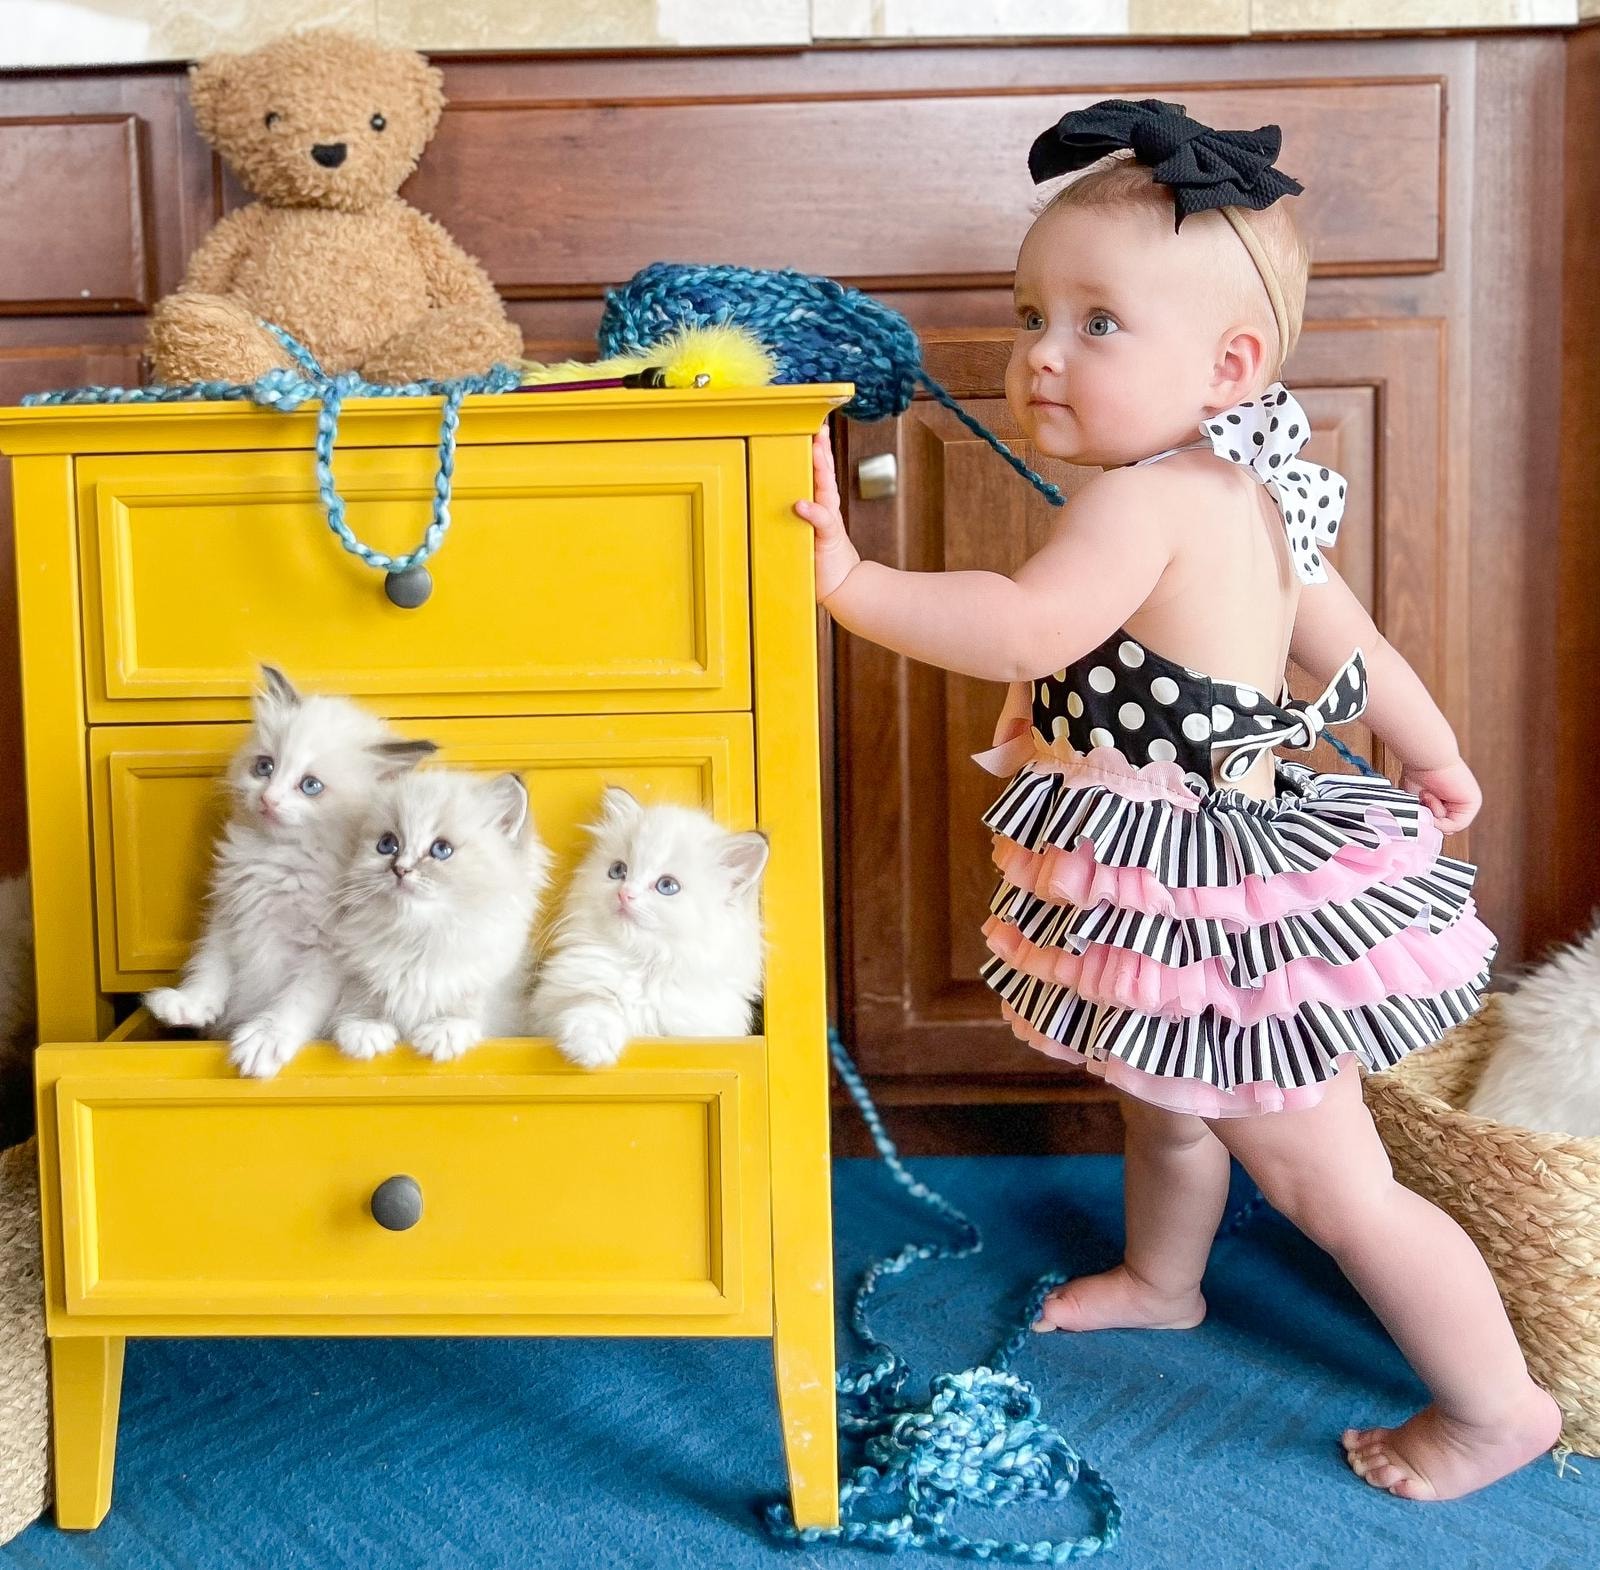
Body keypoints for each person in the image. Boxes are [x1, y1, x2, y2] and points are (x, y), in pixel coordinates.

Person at [794, 99, 1560, 1501]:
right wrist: (1432, 748)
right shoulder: (1254, 488)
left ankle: (1496, 1405)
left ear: (1230, 364)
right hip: (1189, 869)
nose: (1042, 353)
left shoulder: (1144, 503)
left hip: (1220, 895)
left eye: (1097, 323)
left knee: (1337, 1185)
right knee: (1164, 1098)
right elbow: (1356, 648)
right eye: (1033, 316)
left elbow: (1024, 627)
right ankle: (1165, 1277)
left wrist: (851, 583)